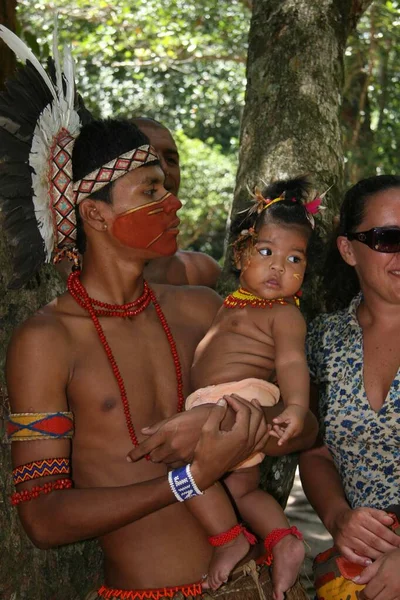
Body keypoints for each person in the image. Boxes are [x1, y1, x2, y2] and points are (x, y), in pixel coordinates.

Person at [0, 25, 317, 600]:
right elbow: (43, 521)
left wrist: (233, 424)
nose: (172, 201)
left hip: (256, 584)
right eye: (150, 191)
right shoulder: (46, 340)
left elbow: (305, 433)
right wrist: (187, 479)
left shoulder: (205, 310)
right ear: (94, 215)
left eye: (165, 186)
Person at [174, 177, 321, 598]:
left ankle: (228, 538)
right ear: (241, 255)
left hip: (239, 404)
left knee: (181, 468)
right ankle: (284, 539)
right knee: (244, 488)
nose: (280, 267)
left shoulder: (285, 314)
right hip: (225, 403)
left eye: (295, 260)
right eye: (267, 252)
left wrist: (295, 406)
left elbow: (292, 361)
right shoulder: (233, 301)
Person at [299, 175, 400, 600]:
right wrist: (339, 518)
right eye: (387, 238)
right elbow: (317, 451)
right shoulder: (322, 338)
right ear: (347, 249)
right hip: (355, 575)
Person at [133, 117, 222, 288]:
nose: (165, 168)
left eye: (171, 160)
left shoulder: (202, 273)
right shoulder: (74, 271)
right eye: (148, 157)